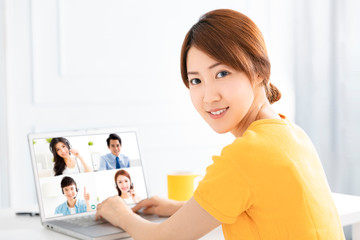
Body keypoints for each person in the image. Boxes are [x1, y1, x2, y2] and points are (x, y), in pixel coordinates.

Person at [95, 9, 345, 239]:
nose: (208, 96)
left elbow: (164, 238)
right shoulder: (291, 134)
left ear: (259, 71)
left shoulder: (246, 155)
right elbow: (254, 200)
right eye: (196, 81)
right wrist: (178, 208)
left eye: (222, 74)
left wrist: (119, 213)